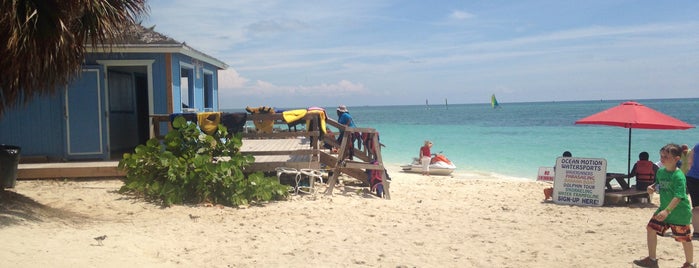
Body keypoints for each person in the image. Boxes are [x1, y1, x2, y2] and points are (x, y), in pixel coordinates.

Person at [633, 144, 694, 268]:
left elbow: (679, 196)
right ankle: (652, 260)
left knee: (684, 239)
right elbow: (658, 183)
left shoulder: (679, 176)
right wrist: (652, 187)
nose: (662, 159)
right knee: (651, 228)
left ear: (676, 159)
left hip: (679, 213)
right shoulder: (661, 171)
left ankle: (690, 264)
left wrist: (667, 211)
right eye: (661, 156)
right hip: (663, 209)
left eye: (666, 156)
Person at [685, 143, 699, 238]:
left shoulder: (697, 146)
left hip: (692, 177)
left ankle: (697, 232)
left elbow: (689, 161)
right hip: (693, 177)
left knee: (696, 207)